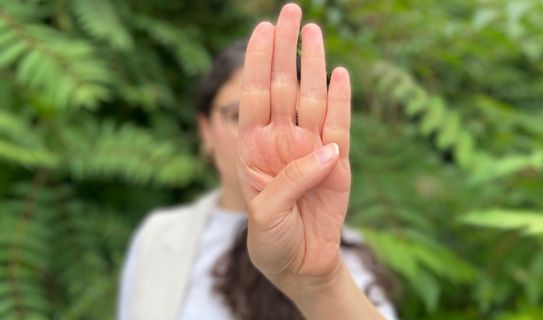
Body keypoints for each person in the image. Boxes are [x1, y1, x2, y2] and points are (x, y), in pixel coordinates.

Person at [117, 3, 398, 320]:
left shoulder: (337, 254)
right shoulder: (157, 237)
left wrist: (320, 283)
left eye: (284, 119)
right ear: (205, 130)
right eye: (238, 116)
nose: (258, 140)